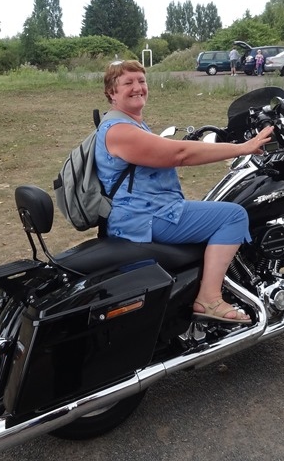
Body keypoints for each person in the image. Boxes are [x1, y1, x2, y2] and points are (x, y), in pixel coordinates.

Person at [95, 60, 274, 323]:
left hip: (144, 212)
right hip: (144, 217)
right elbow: (180, 154)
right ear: (112, 92)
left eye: (141, 81)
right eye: (128, 83)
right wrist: (243, 147)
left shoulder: (129, 125)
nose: (137, 87)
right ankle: (209, 299)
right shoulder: (119, 131)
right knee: (233, 216)